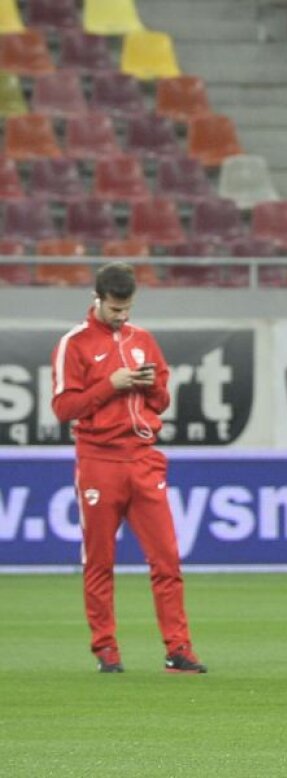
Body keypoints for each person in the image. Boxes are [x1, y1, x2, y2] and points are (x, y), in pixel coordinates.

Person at [50, 262, 206, 674]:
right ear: (97, 299)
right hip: (99, 460)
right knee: (100, 560)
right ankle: (106, 649)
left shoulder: (144, 341)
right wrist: (110, 384)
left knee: (167, 559)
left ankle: (179, 649)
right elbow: (63, 408)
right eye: (115, 308)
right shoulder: (75, 344)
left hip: (143, 458)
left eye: (127, 309)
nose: (122, 316)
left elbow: (162, 402)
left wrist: (149, 384)